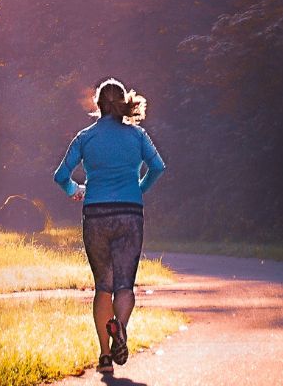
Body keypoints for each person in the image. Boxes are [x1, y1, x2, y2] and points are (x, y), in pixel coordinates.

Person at [54, 77, 166, 376]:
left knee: (103, 286)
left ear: (97, 104)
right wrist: (139, 188)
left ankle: (105, 355)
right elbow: (158, 167)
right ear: (122, 103)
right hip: (130, 213)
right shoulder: (138, 136)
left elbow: (60, 175)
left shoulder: (85, 137)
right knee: (125, 285)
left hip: (96, 214)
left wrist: (75, 189)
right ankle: (121, 328)